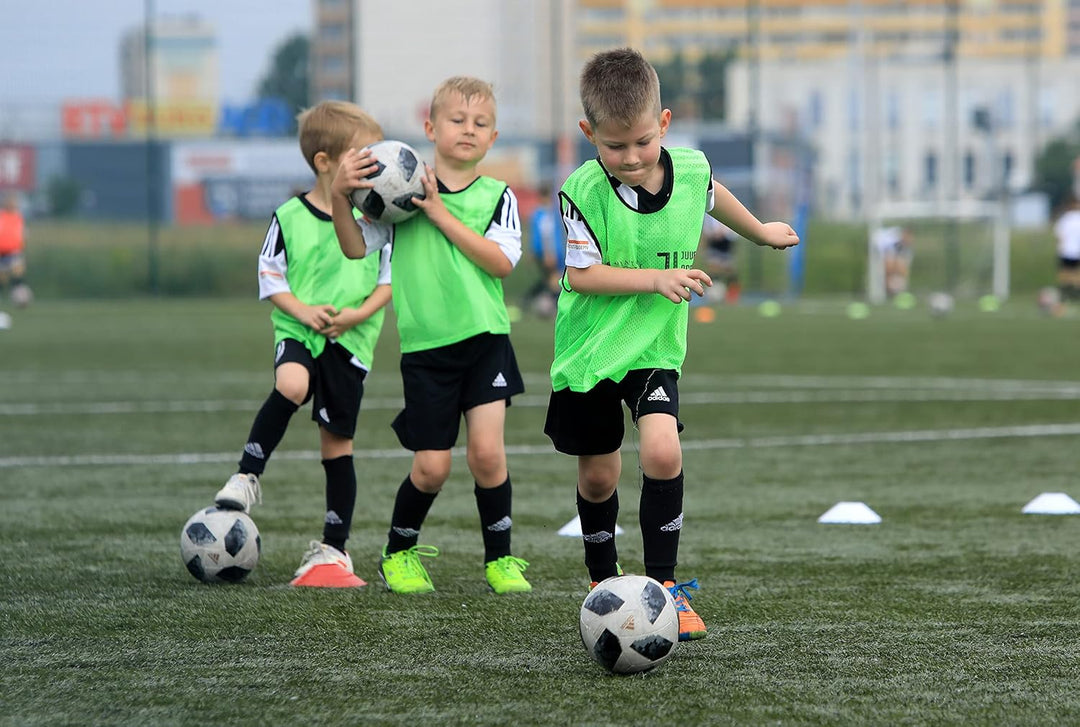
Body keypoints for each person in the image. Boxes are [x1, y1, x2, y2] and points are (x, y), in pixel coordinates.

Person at [544, 48, 799, 641]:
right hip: (590, 350)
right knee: (599, 478)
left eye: (640, 142)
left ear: (663, 124)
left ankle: (664, 590)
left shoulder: (688, 167)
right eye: (614, 147)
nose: (630, 159)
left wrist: (759, 231)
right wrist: (656, 279)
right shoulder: (580, 190)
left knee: (662, 451)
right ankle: (601, 581)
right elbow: (582, 276)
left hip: (655, 346)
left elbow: (712, 194)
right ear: (589, 135)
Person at [332, 76, 531, 595]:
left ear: (493, 138)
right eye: (457, 120)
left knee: (487, 455)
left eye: (480, 123)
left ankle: (501, 561)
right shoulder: (399, 191)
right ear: (430, 127)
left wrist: (441, 215)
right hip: (425, 352)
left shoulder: (496, 196)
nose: (468, 130)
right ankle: (398, 553)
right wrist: (339, 196)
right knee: (431, 467)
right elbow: (355, 248)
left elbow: (501, 263)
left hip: (486, 340)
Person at [213, 101, 393, 589]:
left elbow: (388, 280)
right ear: (325, 162)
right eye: (363, 154)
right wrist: (303, 312)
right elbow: (271, 278)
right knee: (290, 384)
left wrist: (357, 313)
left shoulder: (375, 218)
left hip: (351, 339)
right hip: (299, 329)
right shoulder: (289, 215)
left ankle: (334, 549)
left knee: (337, 444)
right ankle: (247, 476)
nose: (373, 163)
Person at [524, 181, 564, 318]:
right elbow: (546, 235)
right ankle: (547, 306)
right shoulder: (545, 214)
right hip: (549, 253)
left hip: (547, 252)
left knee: (549, 280)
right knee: (554, 281)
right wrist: (549, 253)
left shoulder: (543, 213)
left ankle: (531, 300)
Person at [699, 214, 740, 304]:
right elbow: (706, 228)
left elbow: (734, 230)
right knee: (713, 268)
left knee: (728, 269)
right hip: (714, 243)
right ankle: (711, 293)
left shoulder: (730, 210)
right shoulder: (708, 213)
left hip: (726, 244)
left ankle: (732, 295)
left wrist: (724, 232)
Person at [0, 191, 31, 307]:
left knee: (17, 274)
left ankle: (20, 299)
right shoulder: (2, 216)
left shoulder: (18, 217)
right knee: (2, 279)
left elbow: (22, 234)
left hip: (14, 252)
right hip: (1, 253)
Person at [872, 225, 913, 298]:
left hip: (891, 261)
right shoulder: (890, 242)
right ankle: (889, 292)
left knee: (900, 270)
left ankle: (895, 291)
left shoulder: (903, 248)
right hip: (884, 257)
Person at [1053, 196, 1080, 302]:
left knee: (1075, 273)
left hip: (1077, 250)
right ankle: (1065, 292)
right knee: (1065, 272)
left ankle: (1074, 292)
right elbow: (1060, 233)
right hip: (1067, 250)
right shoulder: (1066, 218)